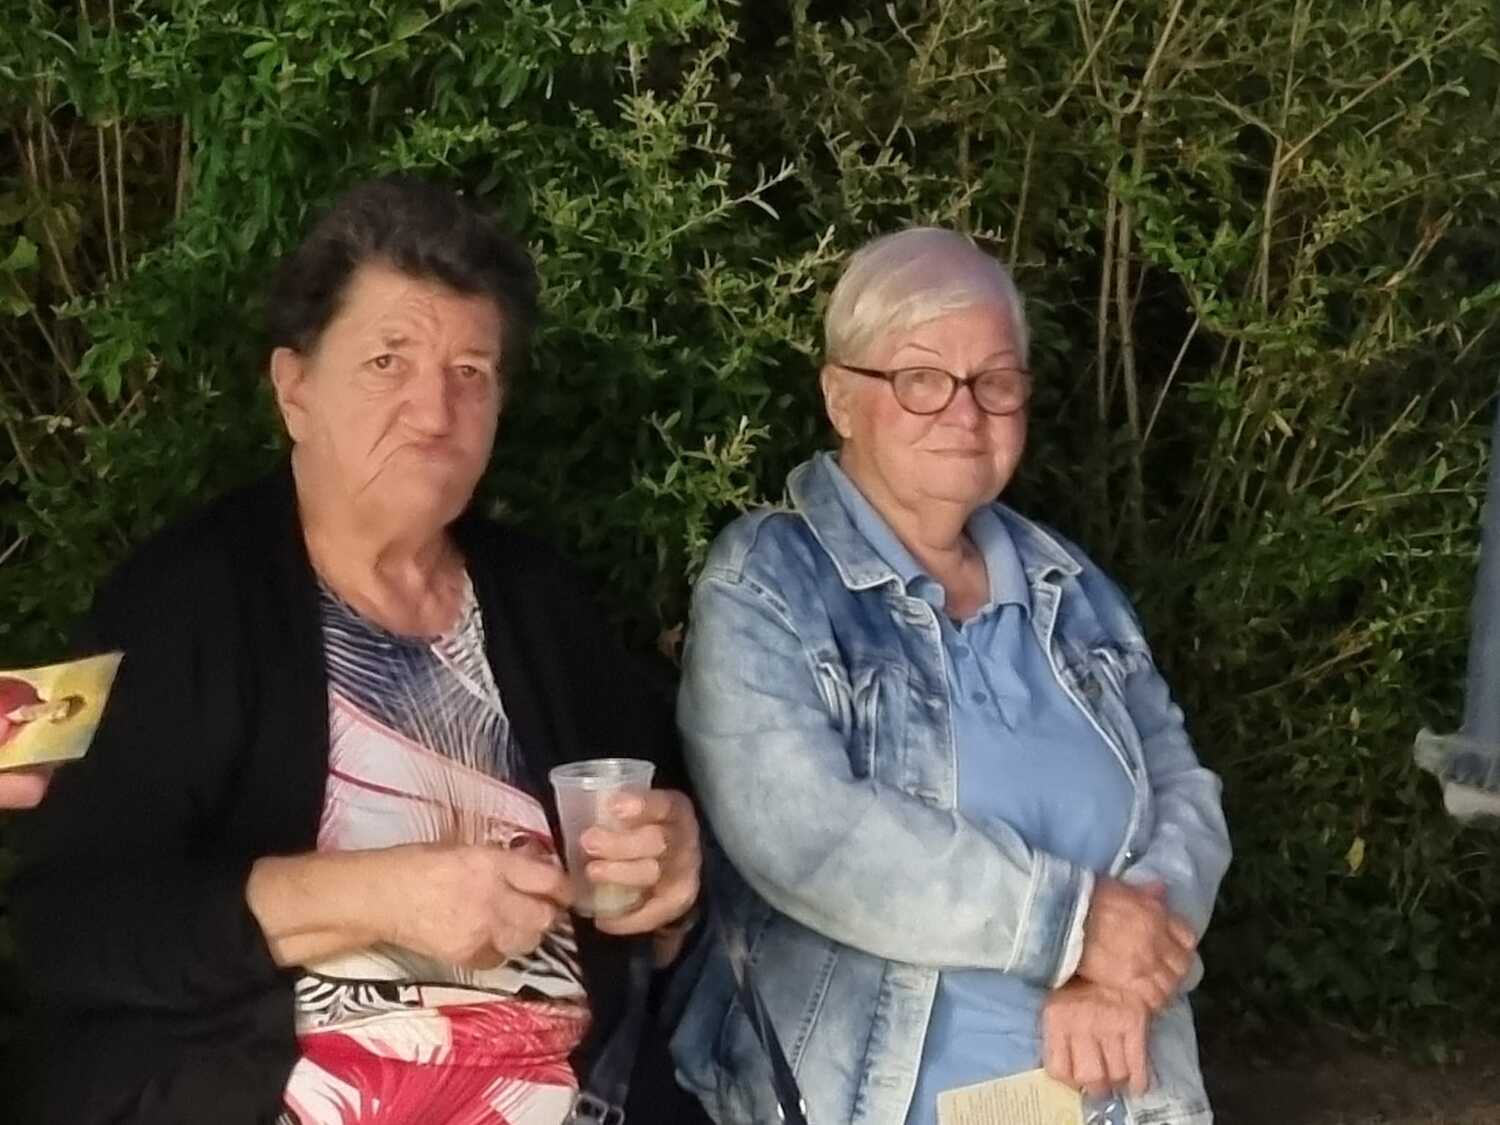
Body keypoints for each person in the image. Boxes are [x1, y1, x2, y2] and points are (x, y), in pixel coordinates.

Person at [11, 178, 706, 1125]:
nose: (434, 412)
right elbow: (75, 923)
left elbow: (649, 860)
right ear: (295, 389)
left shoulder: (544, 605)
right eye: (388, 361)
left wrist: (671, 877)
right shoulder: (183, 602)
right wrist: (373, 895)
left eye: (471, 371)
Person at [671, 228, 1232, 1125]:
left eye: (995, 381)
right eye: (921, 379)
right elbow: (806, 836)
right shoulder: (769, 582)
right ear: (841, 397)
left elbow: (1184, 789)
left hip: (1121, 1100)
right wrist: (1075, 926)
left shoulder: (1070, 586)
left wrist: (1128, 965)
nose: (965, 413)